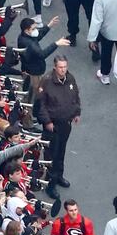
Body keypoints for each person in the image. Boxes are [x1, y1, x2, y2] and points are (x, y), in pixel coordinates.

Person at [35, 54, 81, 198]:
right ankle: (50, 184)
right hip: (52, 125)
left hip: (66, 124)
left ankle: (59, 176)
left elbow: (75, 96)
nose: (63, 70)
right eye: (60, 67)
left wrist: (76, 112)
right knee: (51, 155)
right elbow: (40, 104)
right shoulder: (46, 82)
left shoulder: (70, 78)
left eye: (65, 67)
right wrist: (47, 121)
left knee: (61, 152)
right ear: (55, 67)